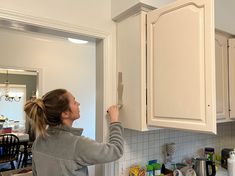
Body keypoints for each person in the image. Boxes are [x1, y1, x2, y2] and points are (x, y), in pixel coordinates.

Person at [24, 89, 124, 176]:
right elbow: (116, 151)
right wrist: (114, 121)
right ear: (65, 113)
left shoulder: (39, 141)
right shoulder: (76, 144)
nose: (78, 103)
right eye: (74, 102)